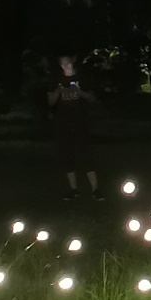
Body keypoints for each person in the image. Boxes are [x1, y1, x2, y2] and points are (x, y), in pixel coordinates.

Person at [47, 54, 99, 200]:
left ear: (73, 63)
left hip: (81, 122)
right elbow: (50, 101)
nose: (66, 67)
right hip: (63, 123)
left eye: (68, 63)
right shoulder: (55, 80)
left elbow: (92, 98)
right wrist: (59, 90)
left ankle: (95, 189)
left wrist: (79, 92)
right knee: (67, 155)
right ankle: (73, 189)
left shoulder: (83, 78)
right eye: (63, 65)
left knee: (86, 154)